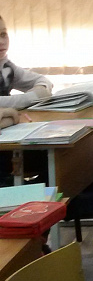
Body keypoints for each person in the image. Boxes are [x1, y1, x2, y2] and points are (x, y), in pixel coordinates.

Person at [0, 14, 52, 184]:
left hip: (9, 141)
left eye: (3, 34)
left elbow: (44, 82)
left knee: (62, 157)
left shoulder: (6, 66)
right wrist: (12, 114)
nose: (1, 42)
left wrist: (9, 114)